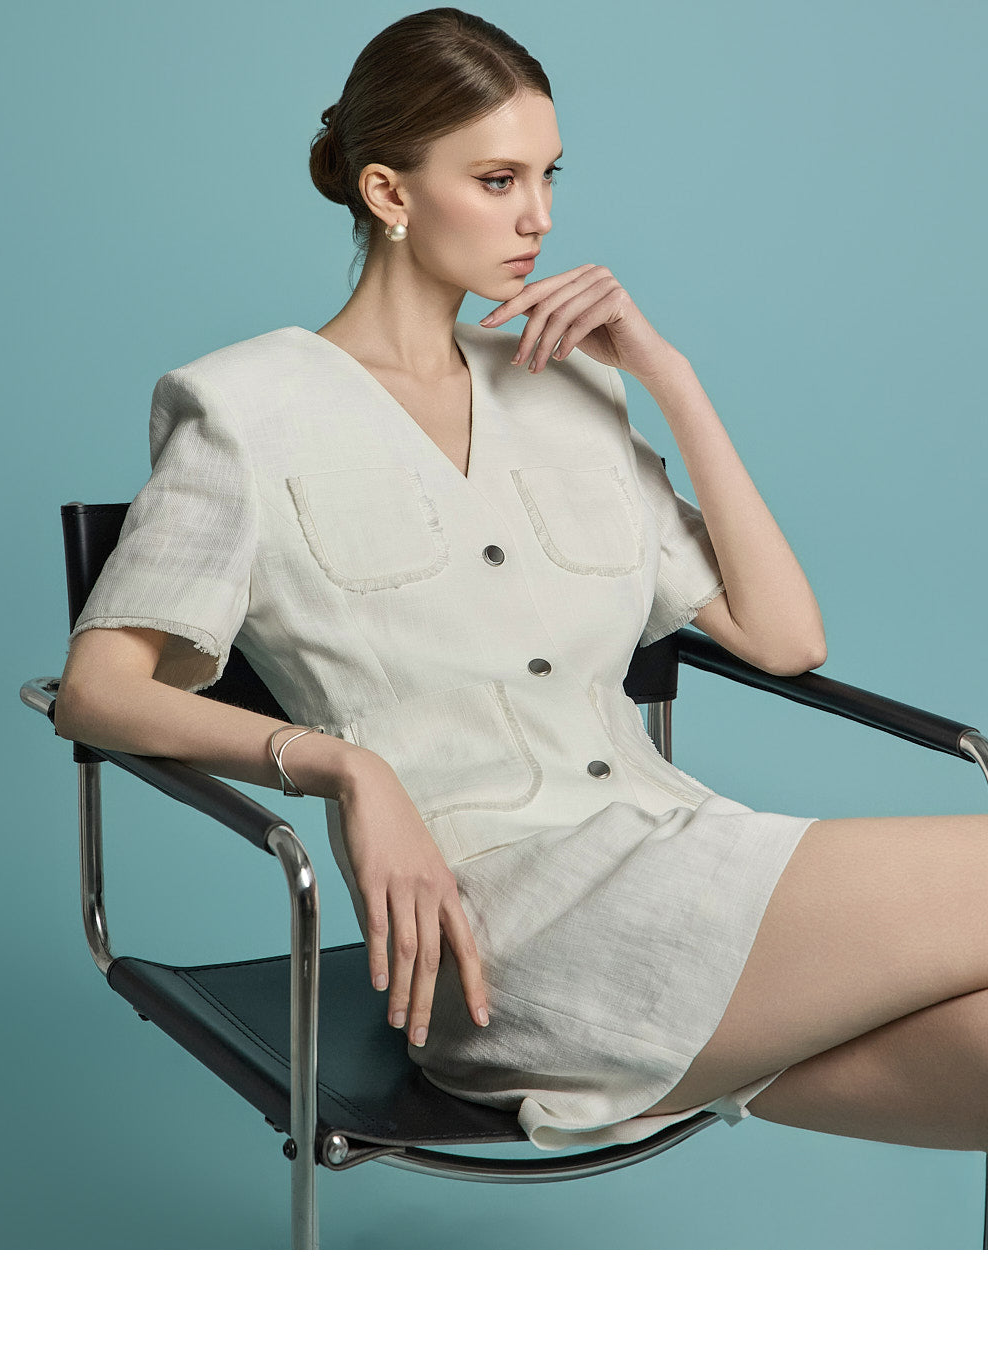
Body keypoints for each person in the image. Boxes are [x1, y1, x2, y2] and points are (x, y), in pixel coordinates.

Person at [55, 7, 988, 1154]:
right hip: (495, 930)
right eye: (497, 180)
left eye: (548, 176)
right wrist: (346, 767)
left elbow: (785, 638)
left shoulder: (569, 384)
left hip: (677, 855)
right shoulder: (243, 410)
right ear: (388, 192)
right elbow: (97, 691)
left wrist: (672, 378)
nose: (538, 216)